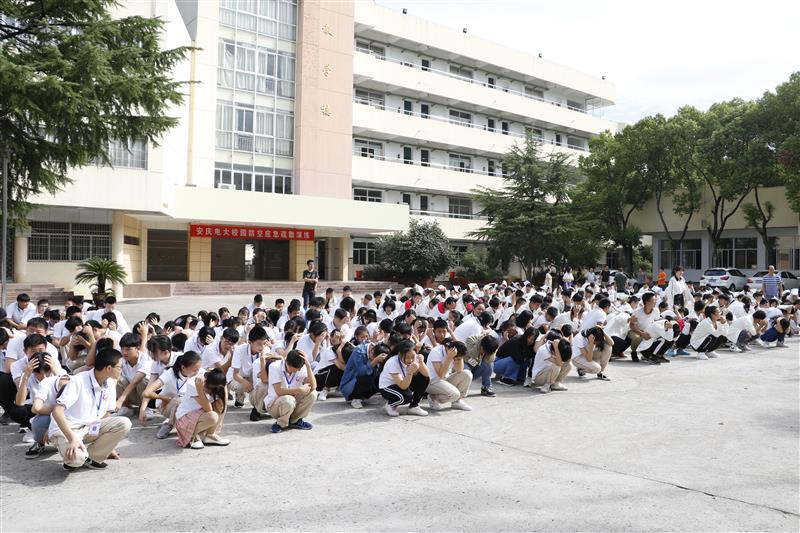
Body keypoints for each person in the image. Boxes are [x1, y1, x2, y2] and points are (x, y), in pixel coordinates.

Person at [49, 348, 133, 470]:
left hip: (90, 427)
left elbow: (107, 414)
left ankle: (92, 457)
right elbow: (57, 411)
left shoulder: (110, 383)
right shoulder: (78, 380)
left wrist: (107, 447)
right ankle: (78, 455)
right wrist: (72, 438)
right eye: (120, 367)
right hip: (69, 429)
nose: (122, 370)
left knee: (124, 423)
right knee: (76, 459)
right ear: (109, 368)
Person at [142, 351, 204, 439]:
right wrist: (164, 398)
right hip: (167, 406)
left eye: (198, 369)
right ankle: (170, 424)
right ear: (183, 367)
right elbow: (146, 393)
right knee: (178, 400)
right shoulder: (169, 374)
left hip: (186, 406)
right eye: (195, 370)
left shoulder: (199, 372)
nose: (197, 372)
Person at [174, 367, 230, 449]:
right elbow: (209, 410)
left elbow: (223, 403)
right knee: (212, 416)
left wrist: (224, 386)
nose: (211, 391)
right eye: (211, 388)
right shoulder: (193, 383)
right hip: (185, 418)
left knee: (220, 404)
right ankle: (192, 436)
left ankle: (210, 435)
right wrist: (200, 389)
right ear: (207, 382)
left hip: (201, 416)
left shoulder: (215, 385)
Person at [265, 349, 317, 433]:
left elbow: (313, 387)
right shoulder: (274, 366)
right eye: (294, 369)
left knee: (313, 394)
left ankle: (295, 421)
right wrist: (299, 390)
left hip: (292, 402)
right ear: (287, 362)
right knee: (288, 399)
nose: (297, 371)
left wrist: (308, 366)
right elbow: (278, 391)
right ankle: (280, 423)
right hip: (275, 404)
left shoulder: (301, 367)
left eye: (299, 368)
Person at [379, 339, 430, 417]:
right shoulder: (392, 362)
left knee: (424, 378)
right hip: (388, 387)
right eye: (407, 357)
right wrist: (410, 372)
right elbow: (403, 386)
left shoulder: (414, 357)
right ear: (399, 354)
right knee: (406, 397)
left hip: (403, 382)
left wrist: (421, 362)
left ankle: (414, 406)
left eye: (412, 357)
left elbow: (426, 374)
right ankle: (390, 404)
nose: (410, 360)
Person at [425, 340, 473, 411]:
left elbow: (459, 370)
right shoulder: (436, 352)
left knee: (467, 374)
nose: (456, 360)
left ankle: (456, 402)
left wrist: (460, 358)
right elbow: (441, 375)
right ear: (448, 349)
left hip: (444, 379)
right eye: (456, 358)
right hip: (431, 381)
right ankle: (433, 398)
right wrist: (449, 357)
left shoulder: (454, 353)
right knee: (455, 394)